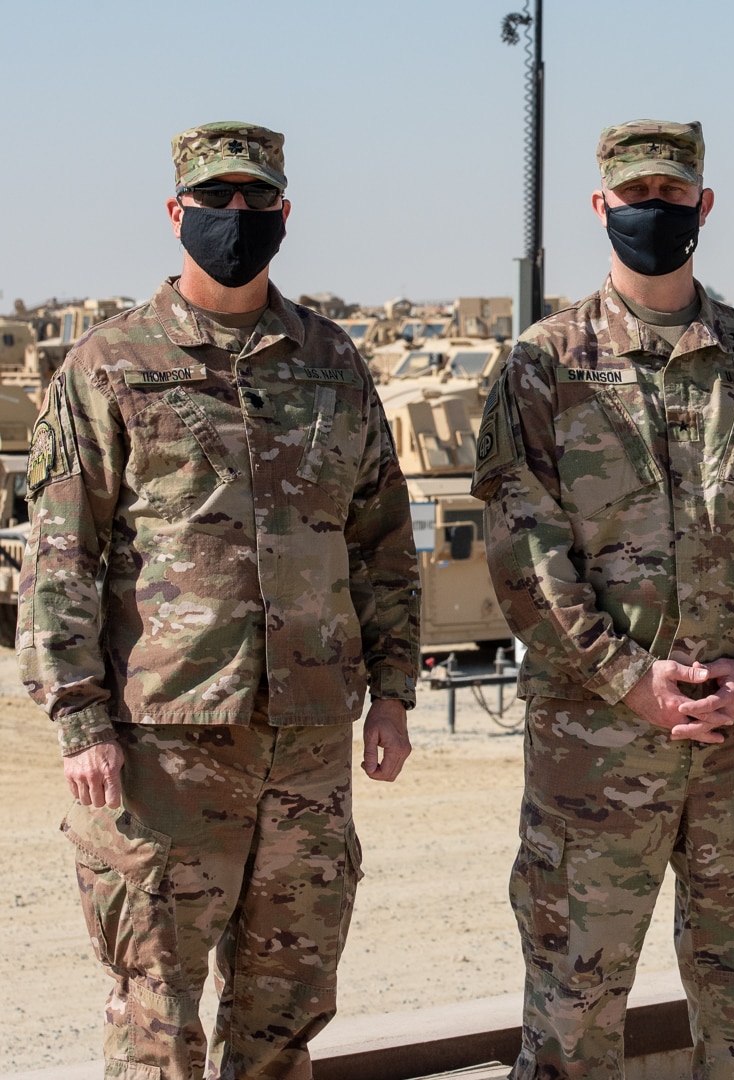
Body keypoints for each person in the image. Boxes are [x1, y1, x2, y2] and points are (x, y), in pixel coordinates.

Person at [18, 121, 421, 1079]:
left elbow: (381, 542)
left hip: (311, 741)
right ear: (175, 214)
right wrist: (80, 721)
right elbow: (60, 556)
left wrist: (396, 693)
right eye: (213, 202)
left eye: (254, 202)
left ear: (285, 213)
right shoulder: (109, 365)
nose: (234, 219)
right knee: (158, 1013)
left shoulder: (333, 363)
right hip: (164, 747)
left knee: (287, 1014)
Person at [471, 119, 734, 1080]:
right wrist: (627, 678)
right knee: (572, 1027)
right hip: (593, 764)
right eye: (634, 196)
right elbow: (527, 558)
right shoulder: (542, 369)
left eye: (672, 196)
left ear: (703, 205)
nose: (653, 211)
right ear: (601, 207)